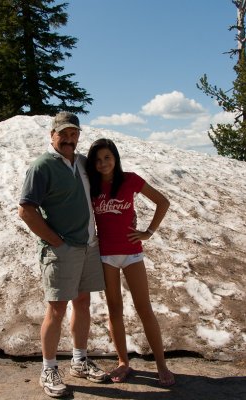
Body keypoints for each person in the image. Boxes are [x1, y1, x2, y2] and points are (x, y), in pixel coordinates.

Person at [18, 112, 107, 398]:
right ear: (52, 134)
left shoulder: (81, 162)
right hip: (62, 249)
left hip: (88, 246)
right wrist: (56, 242)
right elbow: (26, 210)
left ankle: (79, 360)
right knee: (56, 309)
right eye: (64, 134)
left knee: (82, 302)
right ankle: (49, 368)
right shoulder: (42, 166)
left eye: (74, 134)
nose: (69, 139)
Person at [86, 138, 175, 386]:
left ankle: (161, 365)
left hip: (132, 253)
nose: (103, 163)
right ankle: (123, 362)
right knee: (115, 309)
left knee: (144, 308)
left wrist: (149, 232)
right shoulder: (91, 185)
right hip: (106, 256)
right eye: (98, 159)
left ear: (115, 158)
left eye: (107, 157)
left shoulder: (130, 180)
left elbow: (163, 202)